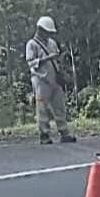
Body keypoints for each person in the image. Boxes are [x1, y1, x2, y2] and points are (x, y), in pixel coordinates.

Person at [25, 16, 76, 145]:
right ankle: (44, 134)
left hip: (54, 78)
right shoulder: (32, 44)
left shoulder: (52, 43)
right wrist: (47, 58)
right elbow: (31, 62)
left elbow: (57, 58)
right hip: (40, 79)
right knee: (42, 108)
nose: (47, 34)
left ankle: (64, 132)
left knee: (60, 106)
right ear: (39, 29)